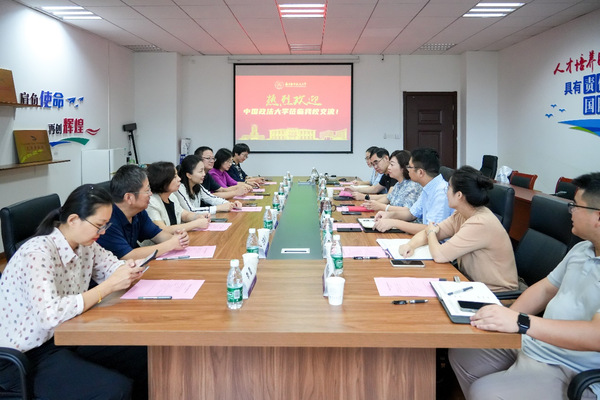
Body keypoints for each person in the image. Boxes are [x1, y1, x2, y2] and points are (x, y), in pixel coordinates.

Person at [449, 172, 600, 400]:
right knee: (463, 351)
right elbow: (545, 289)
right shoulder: (581, 249)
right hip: (538, 341)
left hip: (570, 366)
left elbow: (596, 336)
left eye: (575, 206)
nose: (570, 211)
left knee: (485, 392)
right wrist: (507, 318)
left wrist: (521, 322)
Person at [0, 184, 148, 400]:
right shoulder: (37, 253)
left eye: (106, 225)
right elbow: (50, 315)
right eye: (99, 225)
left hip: (67, 335)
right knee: (114, 389)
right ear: (73, 220)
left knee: (142, 353)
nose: (103, 232)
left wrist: (127, 270)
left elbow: (111, 266)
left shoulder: (85, 244)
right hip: (26, 354)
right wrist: (108, 286)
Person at [397, 166, 518, 292]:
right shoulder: (461, 214)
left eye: (448, 188)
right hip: (470, 283)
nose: (446, 192)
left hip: (496, 294)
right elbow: (432, 231)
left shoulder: (480, 223)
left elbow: (439, 254)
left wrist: (431, 232)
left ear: (459, 195)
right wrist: (410, 245)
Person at [96, 164, 189, 259]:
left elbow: (158, 235)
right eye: (147, 190)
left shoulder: (138, 212)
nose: (151, 194)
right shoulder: (107, 220)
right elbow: (127, 255)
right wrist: (170, 244)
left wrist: (178, 239)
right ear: (129, 197)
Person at [373, 147, 453, 235]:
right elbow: (411, 214)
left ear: (420, 172)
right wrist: (390, 215)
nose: (407, 170)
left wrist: (394, 223)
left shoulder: (441, 192)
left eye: (409, 167)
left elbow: (432, 229)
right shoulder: (428, 188)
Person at [146, 161, 211, 232]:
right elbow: (162, 230)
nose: (179, 179)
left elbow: (184, 215)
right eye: (174, 177)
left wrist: (198, 216)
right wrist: (195, 224)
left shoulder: (171, 196)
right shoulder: (151, 202)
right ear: (162, 180)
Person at [175, 154, 242, 214]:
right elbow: (191, 211)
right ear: (189, 175)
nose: (204, 174)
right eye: (200, 171)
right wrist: (217, 208)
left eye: (203, 170)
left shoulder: (197, 186)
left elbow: (212, 198)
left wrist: (230, 204)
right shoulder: (180, 188)